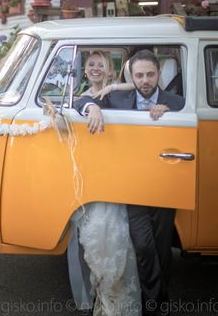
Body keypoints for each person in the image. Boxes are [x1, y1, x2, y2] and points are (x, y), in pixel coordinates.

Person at [74, 49, 185, 315]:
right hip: (133, 186)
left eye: (150, 74)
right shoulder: (121, 98)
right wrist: (93, 107)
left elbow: (185, 122)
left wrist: (168, 111)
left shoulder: (177, 101)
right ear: (132, 77)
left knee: (162, 247)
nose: (145, 80)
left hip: (165, 185)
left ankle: (155, 304)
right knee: (144, 246)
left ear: (158, 73)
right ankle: (156, 304)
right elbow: (82, 101)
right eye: (139, 75)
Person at [67, 51, 140, 315]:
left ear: (111, 71)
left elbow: (142, 86)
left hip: (117, 176)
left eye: (102, 65)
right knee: (95, 241)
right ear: (85, 70)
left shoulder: (119, 94)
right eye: (91, 65)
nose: (96, 68)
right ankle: (99, 299)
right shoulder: (84, 97)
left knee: (118, 243)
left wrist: (112, 86)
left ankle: (115, 303)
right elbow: (80, 105)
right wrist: (93, 107)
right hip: (95, 178)